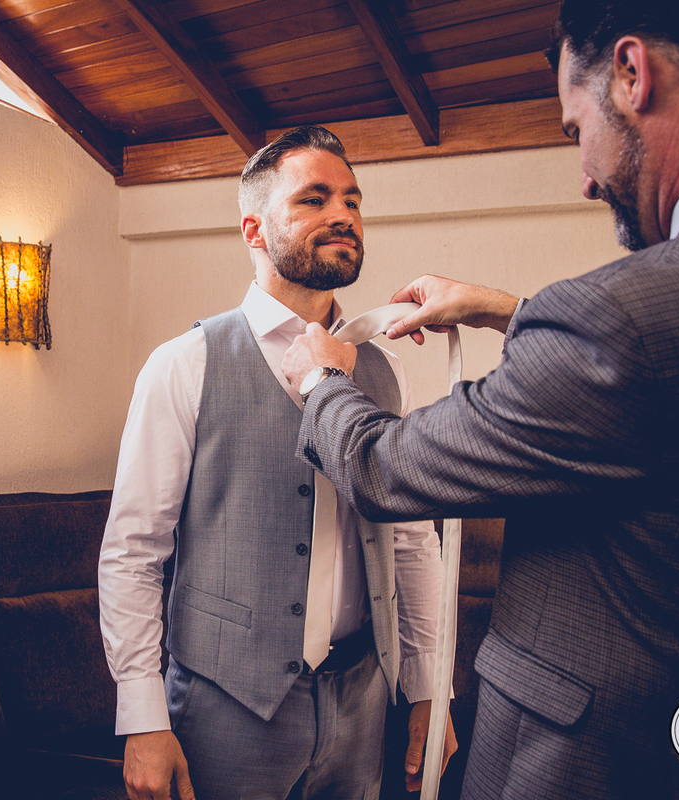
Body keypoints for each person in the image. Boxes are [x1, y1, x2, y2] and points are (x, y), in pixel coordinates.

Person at [280, 1, 679, 799]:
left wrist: (321, 381)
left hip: (603, 764)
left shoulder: (625, 324)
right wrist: (512, 312)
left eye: (575, 130)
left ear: (631, 72)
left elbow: (385, 469)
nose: (584, 177)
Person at [99, 125, 456, 800]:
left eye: (352, 200)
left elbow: (411, 542)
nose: (343, 215)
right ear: (255, 231)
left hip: (364, 704)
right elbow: (134, 551)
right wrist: (142, 718)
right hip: (224, 712)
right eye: (314, 200)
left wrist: (429, 691)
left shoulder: (388, 370)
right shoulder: (186, 364)